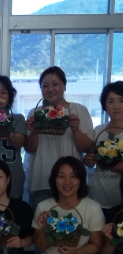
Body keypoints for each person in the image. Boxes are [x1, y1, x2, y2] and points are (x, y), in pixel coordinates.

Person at [25, 66, 93, 211]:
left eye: (55, 84)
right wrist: (34, 132)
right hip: (42, 180)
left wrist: (76, 130)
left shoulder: (78, 110)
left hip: (72, 181)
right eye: (45, 86)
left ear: (64, 86)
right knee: (42, 221)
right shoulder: (35, 113)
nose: (50, 89)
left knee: (74, 220)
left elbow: (87, 147)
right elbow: (30, 149)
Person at [85, 81, 123, 212]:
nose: (116, 106)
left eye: (121, 100)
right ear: (104, 105)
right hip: (97, 198)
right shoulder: (98, 131)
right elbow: (89, 160)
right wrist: (88, 160)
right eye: (111, 101)